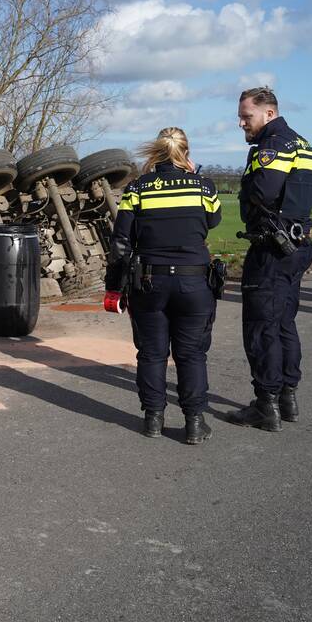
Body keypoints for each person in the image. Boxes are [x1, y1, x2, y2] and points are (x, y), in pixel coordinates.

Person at [103, 127, 222, 445]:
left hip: (149, 282)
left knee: (152, 354)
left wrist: (113, 286)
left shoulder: (138, 188)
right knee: (191, 355)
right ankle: (195, 423)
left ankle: (153, 419)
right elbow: (214, 221)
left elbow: (120, 242)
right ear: (185, 152)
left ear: (156, 152)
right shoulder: (203, 187)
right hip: (193, 282)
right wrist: (193, 175)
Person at [229, 87, 312, 431]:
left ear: (269, 113)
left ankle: (265, 404)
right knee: (284, 322)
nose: (241, 123)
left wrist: (251, 186)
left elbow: (262, 192)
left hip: (271, 248)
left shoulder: (271, 146)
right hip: (297, 246)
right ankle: (288, 397)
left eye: (246, 116)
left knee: (261, 327)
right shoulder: (305, 145)